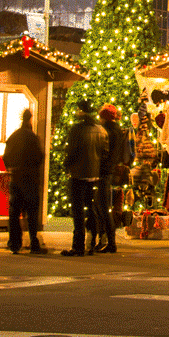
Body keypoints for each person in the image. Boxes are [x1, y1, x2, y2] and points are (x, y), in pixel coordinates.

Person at [62, 100, 108, 256]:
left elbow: (72, 151)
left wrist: (67, 165)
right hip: (94, 175)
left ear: (82, 112)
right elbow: (104, 153)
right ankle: (91, 242)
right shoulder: (101, 130)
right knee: (91, 208)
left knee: (78, 210)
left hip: (78, 174)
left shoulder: (77, 130)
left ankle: (78, 245)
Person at [3, 108, 47, 254]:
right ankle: (34, 241)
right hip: (30, 178)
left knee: (14, 212)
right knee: (32, 212)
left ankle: (14, 242)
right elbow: (39, 156)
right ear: (30, 120)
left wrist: (11, 168)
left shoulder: (14, 136)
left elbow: (6, 156)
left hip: (16, 177)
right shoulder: (32, 137)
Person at [93, 104, 126, 253]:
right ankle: (106, 240)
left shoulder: (107, 131)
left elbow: (105, 151)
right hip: (109, 170)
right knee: (102, 206)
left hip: (104, 171)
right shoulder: (116, 130)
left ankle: (109, 241)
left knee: (102, 207)